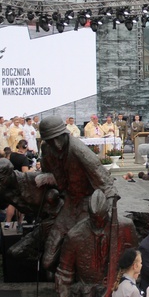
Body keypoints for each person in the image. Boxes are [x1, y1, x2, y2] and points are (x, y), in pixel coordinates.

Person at [38, 115, 117, 271]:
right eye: (50, 140)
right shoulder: (47, 149)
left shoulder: (78, 150)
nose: (55, 143)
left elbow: (106, 182)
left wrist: (108, 210)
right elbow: (50, 172)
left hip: (87, 205)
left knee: (78, 247)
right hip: (69, 204)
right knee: (47, 260)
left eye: (57, 138)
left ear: (64, 134)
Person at [55, 190, 138, 297]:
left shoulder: (125, 227)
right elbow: (64, 274)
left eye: (102, 219)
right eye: (94, 219)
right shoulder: (74, 235)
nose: (98, 223)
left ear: (107, 211)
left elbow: (136, 259)